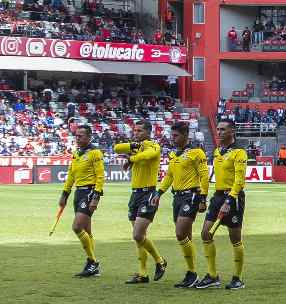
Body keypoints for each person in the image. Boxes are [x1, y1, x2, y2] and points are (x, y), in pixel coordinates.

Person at [153, 121, 208, 288]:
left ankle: (192, 273)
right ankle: (191, 274)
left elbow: (204, 176)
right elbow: (169, 176)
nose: (173, 138)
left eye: (176, 135)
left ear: (185, 135)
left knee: (180, 233)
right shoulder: (174, 155)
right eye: (172, 135)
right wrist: (159, 192)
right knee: (186, 237)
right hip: (177, 198)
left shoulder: (196, 152)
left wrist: (203, 198)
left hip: (191, 196)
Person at [195, 118, 247, 290]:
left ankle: (238, 278)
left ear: (232, 131)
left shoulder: (239, 152)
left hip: (233, 198)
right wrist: (203, 198)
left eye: (223, 129)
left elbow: (239, 181)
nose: (219, 132)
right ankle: (212, 276)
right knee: (205, 233)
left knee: (235, 239)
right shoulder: (217, 151)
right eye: (218, 129)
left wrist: (229, 200)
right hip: (217, 197)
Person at [113, 120, 167, 284]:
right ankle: (143, 274)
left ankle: (160, 261)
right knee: (140, 237)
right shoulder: (135, 146)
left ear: (148, 132)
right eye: (135, 130)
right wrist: (133, 147)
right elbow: (117, 148)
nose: (136, 133)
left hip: (148, 194)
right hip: (135, 195)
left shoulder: (154, 146)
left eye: (139, 131)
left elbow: (148, 155)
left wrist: (132, 158)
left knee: (137, 234)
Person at [60, 123, 103, 278]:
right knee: (87, 231)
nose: (77, 138)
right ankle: (93, 266)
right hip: (78, 193)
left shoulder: (95, 153)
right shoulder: (76, 153)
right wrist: (65, 193)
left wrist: (96, 197)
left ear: (89, 136)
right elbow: (71, 174)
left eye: (81, 136)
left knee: (77, 227)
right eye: (76, 136)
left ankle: (93, 262)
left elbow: (100, 176)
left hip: (89, 192)